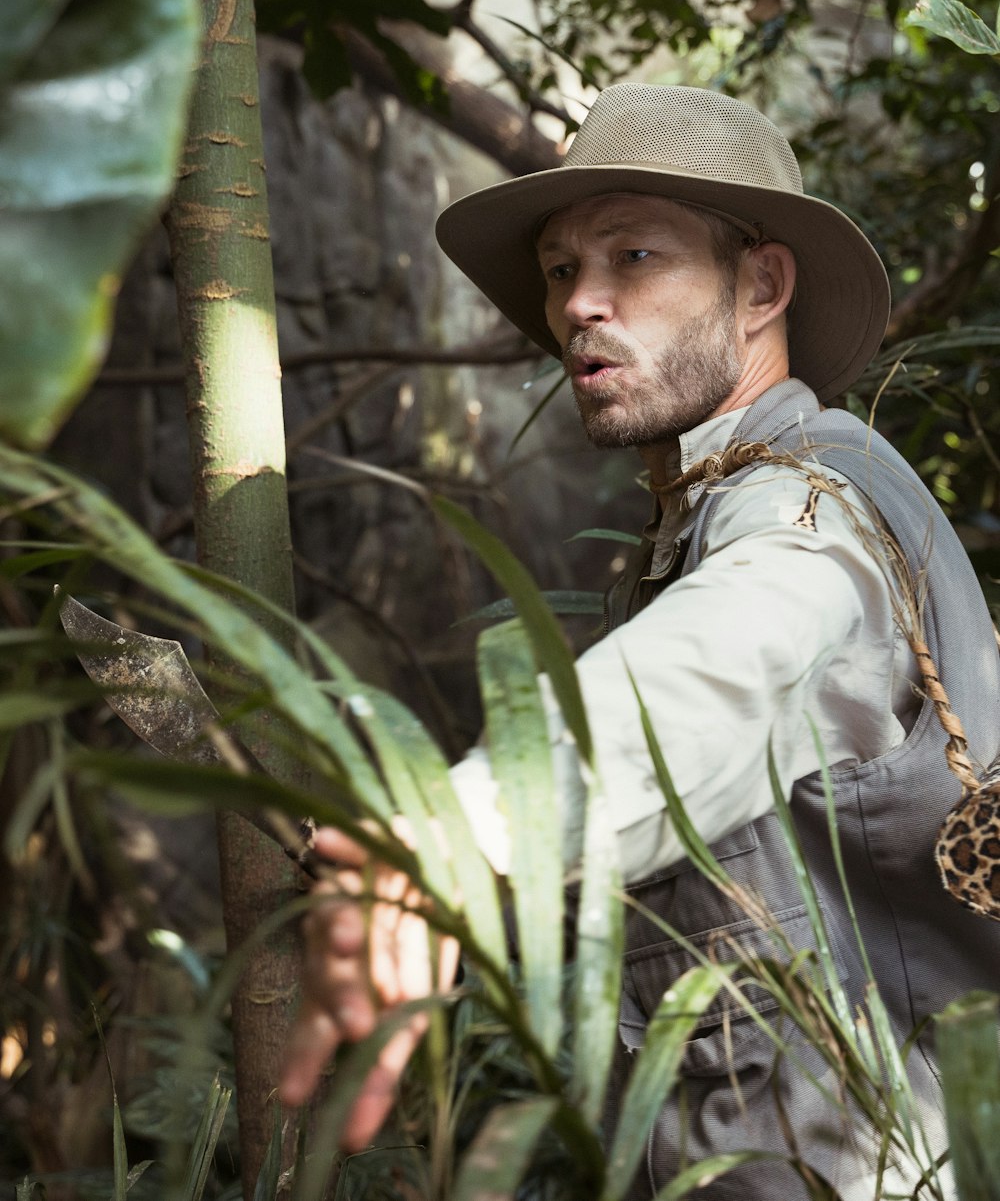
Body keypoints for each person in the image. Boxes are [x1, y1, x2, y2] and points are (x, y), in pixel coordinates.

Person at [280, 84, 1000, 1198]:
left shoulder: (814, 507)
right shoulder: (699, 513)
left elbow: (726, 664)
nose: (581, 302)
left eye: (634, 256)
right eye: (564, 268)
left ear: (760, 284)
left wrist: (455, 838)